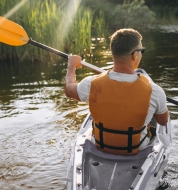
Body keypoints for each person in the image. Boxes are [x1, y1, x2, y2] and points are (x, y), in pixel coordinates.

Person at [64, 28, 169, 156]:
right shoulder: (155, 91)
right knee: (154, 114)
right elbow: (163, 121)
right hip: (136, 148)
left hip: (100, 145)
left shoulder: (91, 83)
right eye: (142, 51)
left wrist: (71, 66)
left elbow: (69, 90)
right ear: (135, 54)